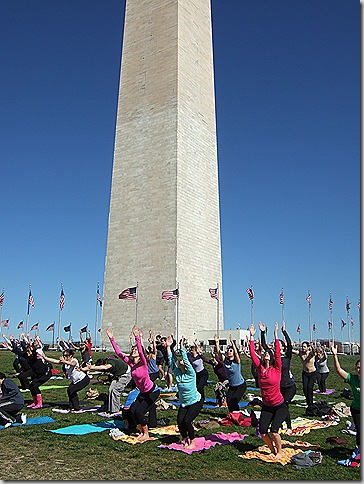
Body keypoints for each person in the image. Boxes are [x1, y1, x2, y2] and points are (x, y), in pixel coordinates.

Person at [106, 325, 160, 441]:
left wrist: (137, 338)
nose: (133, 350)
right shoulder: (131, 364)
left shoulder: (143, 363)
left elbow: (141, 350)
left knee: (139, 412)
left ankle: (146, 433)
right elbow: (119, 353)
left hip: (153, 392)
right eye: (133, 349)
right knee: (133, 411)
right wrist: (112, 339)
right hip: (142, 392)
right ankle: (141, 431)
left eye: (135, 349)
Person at [249, 322, 289, 461]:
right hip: (267, 406)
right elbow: (252, 354)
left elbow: (277, 353)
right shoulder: (260, 368)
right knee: (263, 431)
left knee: (274, 430)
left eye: (268, 353)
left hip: (279, 406)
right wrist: (252, 337)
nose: (266, 354)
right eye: (265, 353)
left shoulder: (276, 368)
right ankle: (272, 449)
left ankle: (280, 451)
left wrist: (276, 334)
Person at [166, 335, 203, 449]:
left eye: (183, 360)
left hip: (196, 401)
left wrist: (182, 347)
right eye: (180, 360)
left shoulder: (191, 373)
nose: (181, 361)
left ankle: (192, 441)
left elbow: (186, 360)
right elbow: (171, 361)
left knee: (187, 421)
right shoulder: (178, 374)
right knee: (180, 421)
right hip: (184, 403)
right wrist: (168, 347)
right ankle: (185, 439)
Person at [260, 321, 296, 428]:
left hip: (289, 386)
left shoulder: (287, 356)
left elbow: (289, 344)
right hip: (279, 387)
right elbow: (264, 345)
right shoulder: (274, 359)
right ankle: (278, 424)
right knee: (279, 406)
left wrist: (283, 332)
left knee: (285, 404)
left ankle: (288, 425)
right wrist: (263, 333)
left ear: (282, 347)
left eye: (279, 345)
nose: (277, 346)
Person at [330, 344, 360, 455]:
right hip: (357, 409)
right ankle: (359, 450)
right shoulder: (353, 379)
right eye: (358, 367)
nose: (359, 369)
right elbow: (338, 370)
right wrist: (334, 355)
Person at [214, 333, 246, 412]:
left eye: (230, 351)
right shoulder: (226, 361)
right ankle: (232, 415)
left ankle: (237, 415)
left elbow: (236, 354)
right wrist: (217, 343)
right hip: (232, 385)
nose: (229, 352)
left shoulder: (237, 362)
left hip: (240, 385)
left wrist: (232, 343)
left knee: (234, 402)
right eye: (228, 350)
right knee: (229, 401)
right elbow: (219, 353)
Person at [17, 341, 52, 409]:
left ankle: (39, 403)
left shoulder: (35, 355)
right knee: (31, 386)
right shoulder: (28, 356)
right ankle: (35, 402)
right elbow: (19, 353)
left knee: (35, 386)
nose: (27, 353)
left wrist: (31, 343)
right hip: (39, 373)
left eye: (29, 351)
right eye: (27, 352)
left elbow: (33, 350)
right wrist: (10, 348)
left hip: (46, 373)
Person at [298, 340, 316, 407]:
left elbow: (314, 352)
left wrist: (312, 346)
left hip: (313, 373)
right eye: (302, 347)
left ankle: (311, 403)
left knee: (309, 388)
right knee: (305, 388)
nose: (303, 348)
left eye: (304, 347)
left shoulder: (311, 354)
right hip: (305, 373)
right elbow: (293, 351)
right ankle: (308, 401)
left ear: (308, 347)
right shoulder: (301, 353)